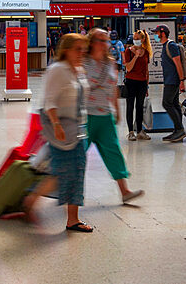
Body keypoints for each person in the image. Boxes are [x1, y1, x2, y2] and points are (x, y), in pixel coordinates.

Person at [22, 33, 92, 232]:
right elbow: (49, 101)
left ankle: (35, 202)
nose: (81, 53)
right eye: (77, 49)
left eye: (83, 49)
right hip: (60, 129)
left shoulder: (77, 70)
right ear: (66, 50)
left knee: (70, 171)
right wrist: (57, 126)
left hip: (76, 128)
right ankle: (67, 217)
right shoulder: (58, 70)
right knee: (69, 172)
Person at [83, 29, 143, 203]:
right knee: (76, 157)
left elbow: (113, 88)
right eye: (101, 40)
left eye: (106, 40)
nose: (105, 44)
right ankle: (57, 191)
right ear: (92, 42)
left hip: (104, 115)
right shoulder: (83, 62)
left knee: (114, 152)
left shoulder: (110, 63)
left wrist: (116, 109)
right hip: (85, 116)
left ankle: (124, 191)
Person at [155, 25, 186, 142]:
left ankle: (180, 130)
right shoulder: (165, 46)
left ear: (162, 33)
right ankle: (177, 130)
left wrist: (181, 81)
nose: (155, 35)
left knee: (167, 103)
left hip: (173, 80)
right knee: (174, 104)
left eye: (157, 33)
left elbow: (178, 64)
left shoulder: (171, 45)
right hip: (169, 79)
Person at [123, 30, 151, 141]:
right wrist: (136, 56)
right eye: (134, 38)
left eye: (138, 38)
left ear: (143, 39)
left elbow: (146, 70)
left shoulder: (147, 52)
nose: (136, 40)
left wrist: (147, 84)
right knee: (130, 106)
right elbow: (128, 68)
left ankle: (140, 130)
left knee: (140, 107)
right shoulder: (128, 51)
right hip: (131, 82)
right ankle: (130, 132)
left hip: (142, 82)